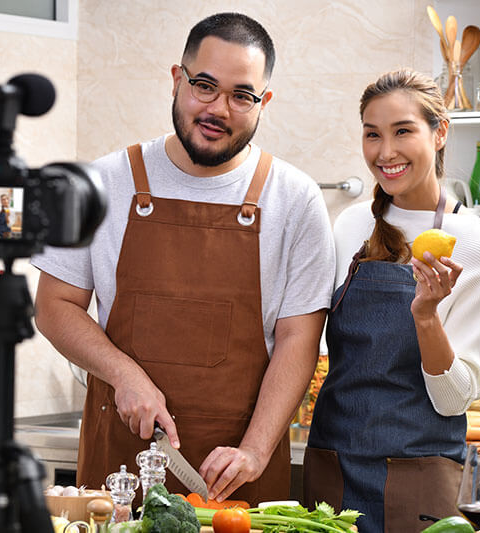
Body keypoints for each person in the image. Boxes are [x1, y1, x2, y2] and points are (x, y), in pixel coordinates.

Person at [32, 12, 334, 505]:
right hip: (118, 476)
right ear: (177, 80)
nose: (218, 108)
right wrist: (124, 375)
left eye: (242, 95)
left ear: (264, 102)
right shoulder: (101, 183)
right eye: (204, 86)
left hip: (236, 477)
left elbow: (299, 337)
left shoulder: (295, 199)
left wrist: (255, 452)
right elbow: (54, 306)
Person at [303, 69, 480, 533]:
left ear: (439, 134)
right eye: (372, 134)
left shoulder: (478, 248)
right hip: (332, 464)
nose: (385, 151)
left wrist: (426, 317)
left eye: (403, 131)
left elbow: (453, 398)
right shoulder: (348, 227)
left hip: (422, 475)